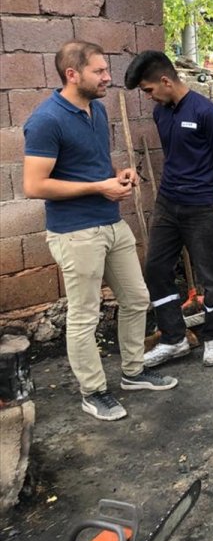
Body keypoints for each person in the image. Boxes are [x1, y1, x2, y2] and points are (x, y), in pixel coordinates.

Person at [23, 41, 177, 421]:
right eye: (99, 71)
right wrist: (98, 187)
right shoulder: (46, 120)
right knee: (85, 316)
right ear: (72, 75)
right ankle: (92, 392)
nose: (108, 77)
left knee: (137, 298)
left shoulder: (97, 109)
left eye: (106, 69)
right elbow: (34, 185)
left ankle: (133, 372)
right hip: (75, 232)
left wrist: (118, 175)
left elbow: (93, 164)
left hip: (110, 222)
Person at [124, 51, 213, 368]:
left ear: (165, 81)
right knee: (156, 269)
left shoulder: (205, 112)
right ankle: (174, 339)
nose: (149, 97)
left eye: (148, 90)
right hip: (168, 204)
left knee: (210, 275)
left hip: (203, 206)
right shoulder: (161, 113)